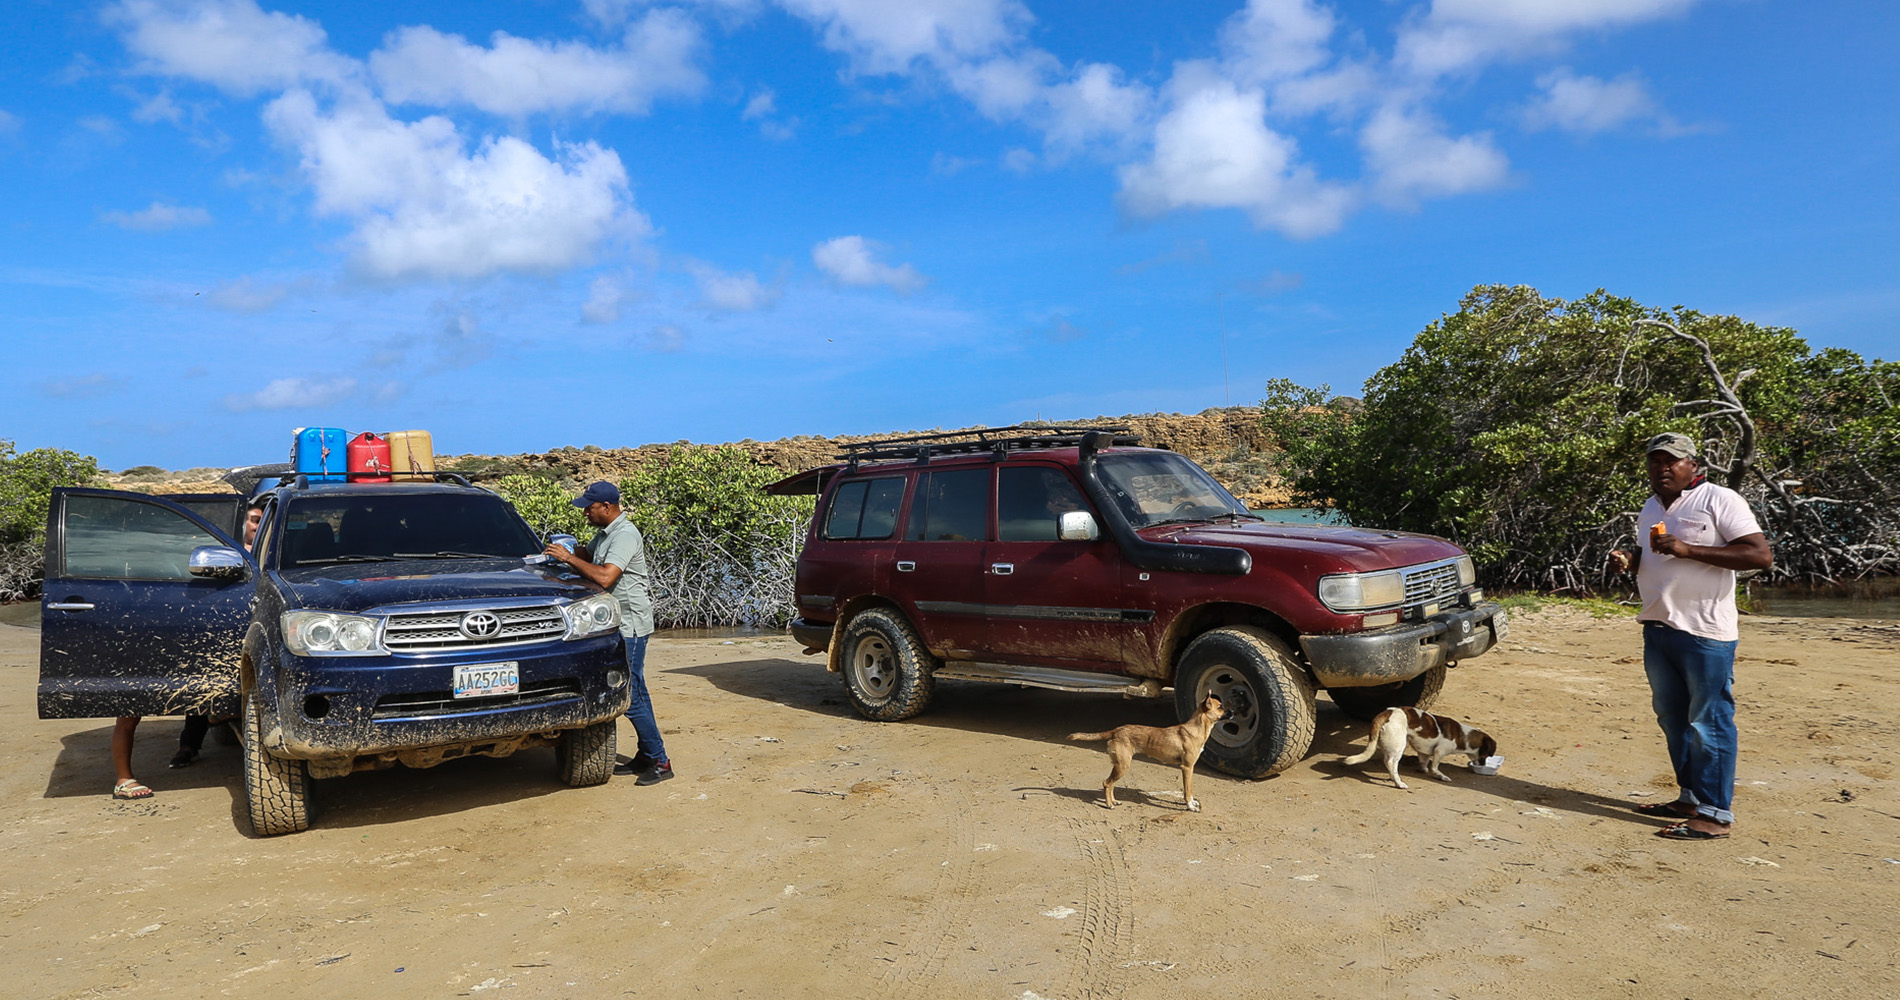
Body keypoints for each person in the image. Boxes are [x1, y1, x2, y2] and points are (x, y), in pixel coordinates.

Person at [1608, 432, 1773, 841]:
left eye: (1672, 461)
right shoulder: (1651, 506)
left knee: (1710, 721)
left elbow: (1759, 556)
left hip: (1705, 632)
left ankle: (1715, 815)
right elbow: (1654, 553)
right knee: (1673, 719)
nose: (1662, 468)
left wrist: (1688, 550)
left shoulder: (1721, 499)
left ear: (1693, 466)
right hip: (1658, 626)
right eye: (1655, 461)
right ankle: (1690, 798)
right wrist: (1631, 559)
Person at [544, 481, 672, 785]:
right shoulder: (605, 534)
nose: (585, 512)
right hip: (617, 624)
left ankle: (661, 760)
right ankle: (646, 754)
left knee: (631, 694)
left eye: (590, 507)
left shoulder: (625, 535)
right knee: (636, 689)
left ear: (607, 507)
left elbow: (605, 576)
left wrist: (568, 559)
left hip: (631, 626)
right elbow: (592, 556)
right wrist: (569, 550)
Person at [170, 498, 264, 769]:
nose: (257, 526)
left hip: (260, 620)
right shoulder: (227, 552)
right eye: (253, 520)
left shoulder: (272, 548)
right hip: (227, 620)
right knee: (204, 678)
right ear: (242, 522)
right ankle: (188, 744)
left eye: (260, 521)